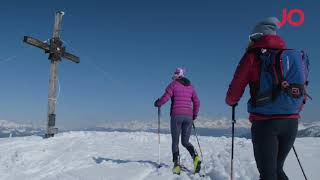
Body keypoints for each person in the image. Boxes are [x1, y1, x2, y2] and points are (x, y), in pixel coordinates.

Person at [226, 17, 309, 180]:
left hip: (265, 123)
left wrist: (231, 101)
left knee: (268, 174)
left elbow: (235, 89)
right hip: (291, 122)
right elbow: (302, 88)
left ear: (256, 36)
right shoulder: (292, 57)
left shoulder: (252, 56)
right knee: (277, 169)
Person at [154, 67, 201, 174]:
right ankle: (196, 158)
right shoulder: (191, 87)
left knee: (175, 141)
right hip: (188, 117)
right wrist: (194, 115)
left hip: (176, 116)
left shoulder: (173, 85)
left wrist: (158, 103)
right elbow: (197, 102)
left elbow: (165, 98)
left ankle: (176, 166)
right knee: (185, 141)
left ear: (176, 75)